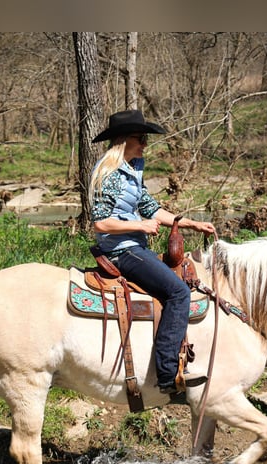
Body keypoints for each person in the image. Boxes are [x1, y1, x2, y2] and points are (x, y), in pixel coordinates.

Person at [90, 109, 216, 395]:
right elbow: (100, 222)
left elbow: (151, 209)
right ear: (125, 140)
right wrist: (140, 226)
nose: (145, 144)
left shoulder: (132, 170)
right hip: (121, 251)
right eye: (141, 138)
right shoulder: (107, 173)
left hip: (135, 246)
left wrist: (191, 223)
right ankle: (168, 373)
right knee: (178, 292)